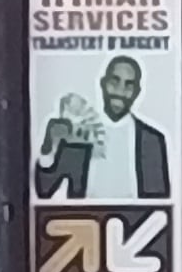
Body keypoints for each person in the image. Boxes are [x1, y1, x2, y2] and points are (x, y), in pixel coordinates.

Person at [33, 55, 171, 202]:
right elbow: (44, 190)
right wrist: (49, 146)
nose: (120, 91)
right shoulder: (79, 134)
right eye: (114, 82)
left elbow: (160, 202)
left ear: (137, 92)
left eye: (129, 85)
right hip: (85, 217)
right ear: (103, 83)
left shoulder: (152, 141)